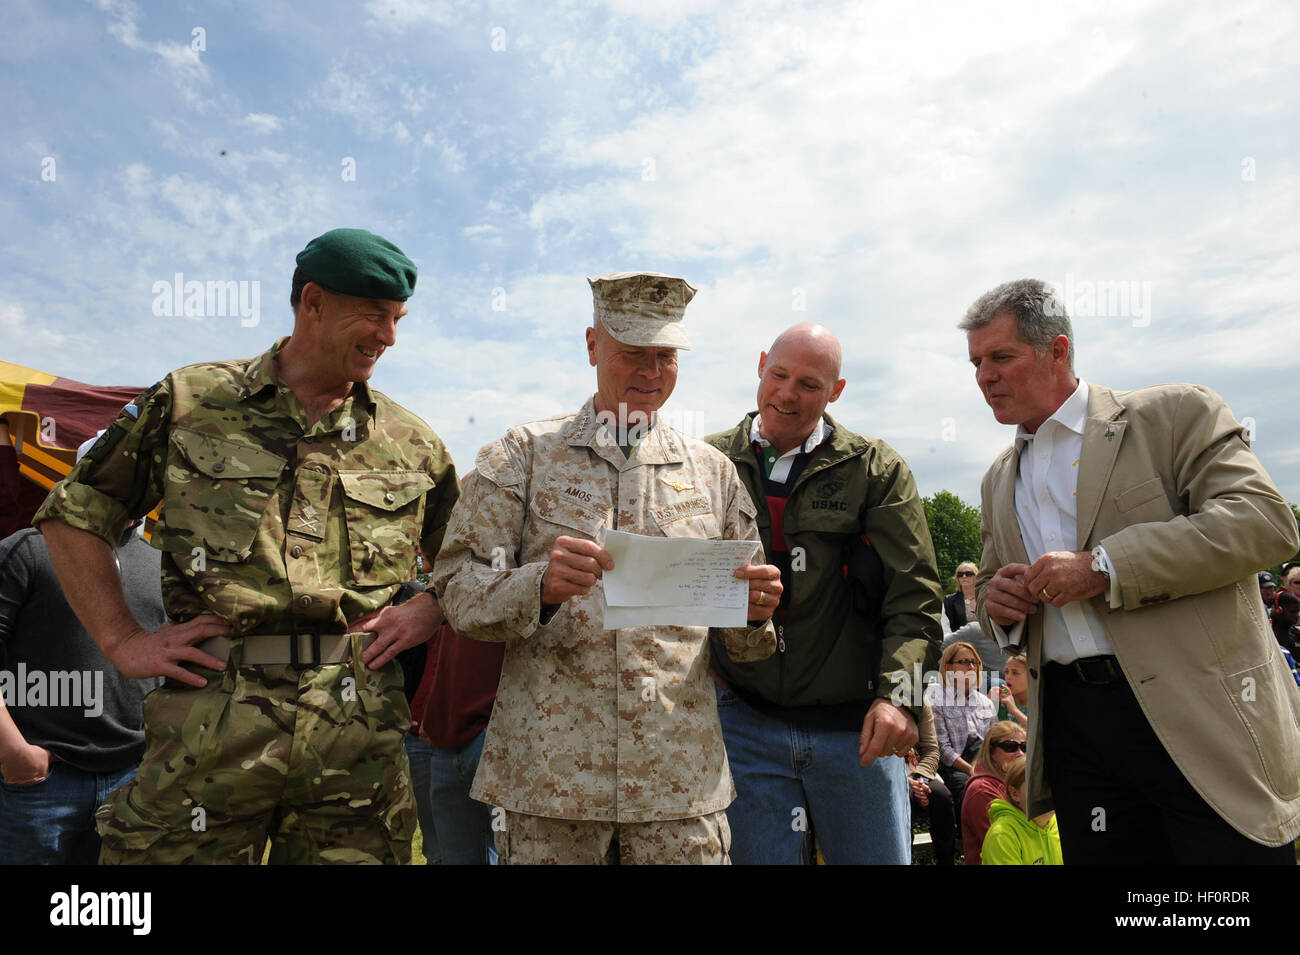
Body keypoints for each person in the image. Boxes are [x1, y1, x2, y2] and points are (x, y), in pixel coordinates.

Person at [33, 228, 460, 864]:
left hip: (356, 733)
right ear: (312, 302)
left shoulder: (411, 440)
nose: (389, 338)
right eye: (374, 316)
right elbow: (74, 515)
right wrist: (123, 640)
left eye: (397, 319)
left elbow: (470, 560)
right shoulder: (191, 401)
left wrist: (430, 606)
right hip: (208, 725)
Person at [432, 271, 781, 865]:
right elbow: (457, 590)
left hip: (679, 791)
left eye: (665, 356)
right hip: (552, 789)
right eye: (632, 354)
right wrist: (536, 586)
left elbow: (747, 646)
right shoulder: (523, 456)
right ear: (593, 345)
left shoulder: (715, 473)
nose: (650, 372)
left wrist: (754, 616)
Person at [962, 277, 1300, 864]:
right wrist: (1000, 604)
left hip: (1199, 717)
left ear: (1059, 351)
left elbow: (1262, 521)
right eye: (975, 362)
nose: (984, 376)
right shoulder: (997, 478)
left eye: (1001, 357)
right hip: (1076, 732)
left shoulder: (1174, 415)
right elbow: (993, 583)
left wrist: (1104, 567)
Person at [705, 322, 942, 864]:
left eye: (809, 384)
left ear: (836, 390)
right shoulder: (706, 464)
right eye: (779, 374)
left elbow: (917, 595)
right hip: (741, 725)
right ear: (761, 365)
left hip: (858, 731)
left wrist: (899, 698)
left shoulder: (876, 469)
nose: (787, 393)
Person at [0, 434, 165, 864]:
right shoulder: (27, 551)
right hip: (38, 785)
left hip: (134, 782)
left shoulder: (163, 568)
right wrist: (16, 754)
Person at [925, 641, 996, 830]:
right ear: (948, 667)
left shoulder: (985, 702)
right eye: (964, 662)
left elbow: (994, 742)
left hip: (983, 761)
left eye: (975, 662)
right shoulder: (936, 700)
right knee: (973, 790)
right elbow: (943, 748)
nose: (971, 667)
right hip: (954, 766)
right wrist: (971, 770)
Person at [960, 719, 1026, 864]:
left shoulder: (1014, 784)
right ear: (991, 752)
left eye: (1024, 747)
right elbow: (1003, 843)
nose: (1020, 753)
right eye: (1010, 746)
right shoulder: (982, 790)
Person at [981, 756, 1062, 865]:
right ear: (1014, 794)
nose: (1047, 795)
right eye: (1036, 788)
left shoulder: (1061, 825)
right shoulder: (1002, 835)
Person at [904, 704, 954, 864]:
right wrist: (906, 781)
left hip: (919, 770)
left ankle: (946, 860)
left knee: (941, 795)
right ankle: (905, 858)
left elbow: (931, 749)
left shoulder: (919, 701)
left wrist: (921, 779)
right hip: (891, 773)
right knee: (904, 799)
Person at [992, 652, 1028, 727]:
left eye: (1015, 673)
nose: (1008, 677)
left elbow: (1039, 732)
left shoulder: (1040, 702)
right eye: (1006, 672)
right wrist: (988, 705)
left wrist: (1014, 710)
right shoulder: (1000, 698)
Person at [943, 561, 979, 633]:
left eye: (968, 573)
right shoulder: (949, 600)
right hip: (962, 641)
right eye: (960, 574)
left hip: (989, 641)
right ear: (957, 578)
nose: (964, 576)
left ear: (976, 576)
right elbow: (949, 628)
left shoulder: (985, 597)